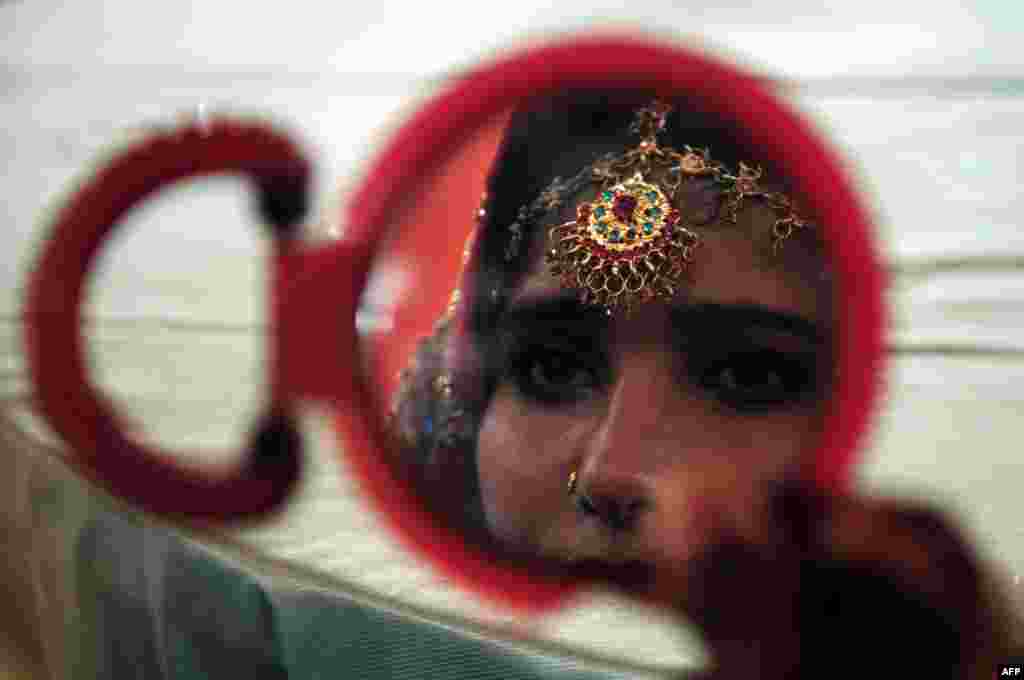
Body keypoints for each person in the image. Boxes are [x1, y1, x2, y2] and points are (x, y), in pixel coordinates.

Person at [1, 92, 1021, 679]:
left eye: (748, 374)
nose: (615, 468)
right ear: (467, 381)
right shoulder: (295, 605)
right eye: (549, 364)